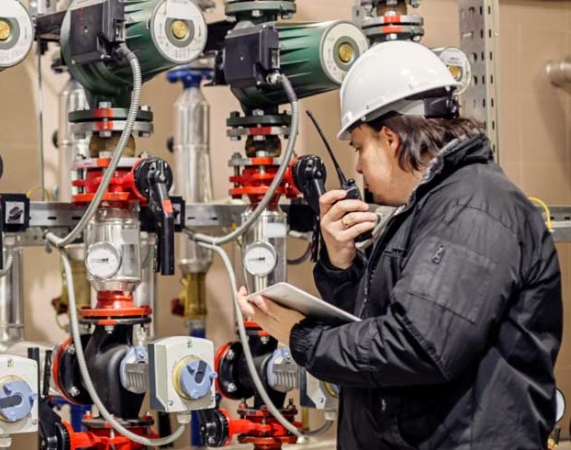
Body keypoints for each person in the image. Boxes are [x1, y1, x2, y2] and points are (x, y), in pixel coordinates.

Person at [238, 40, 563, 449]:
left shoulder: (473, 208)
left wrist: (302, 338)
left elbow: (419, 346)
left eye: (359, 147)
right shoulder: (434, 206)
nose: (356, 166)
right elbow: (379, 325)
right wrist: (342, 265)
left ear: (390, 139)